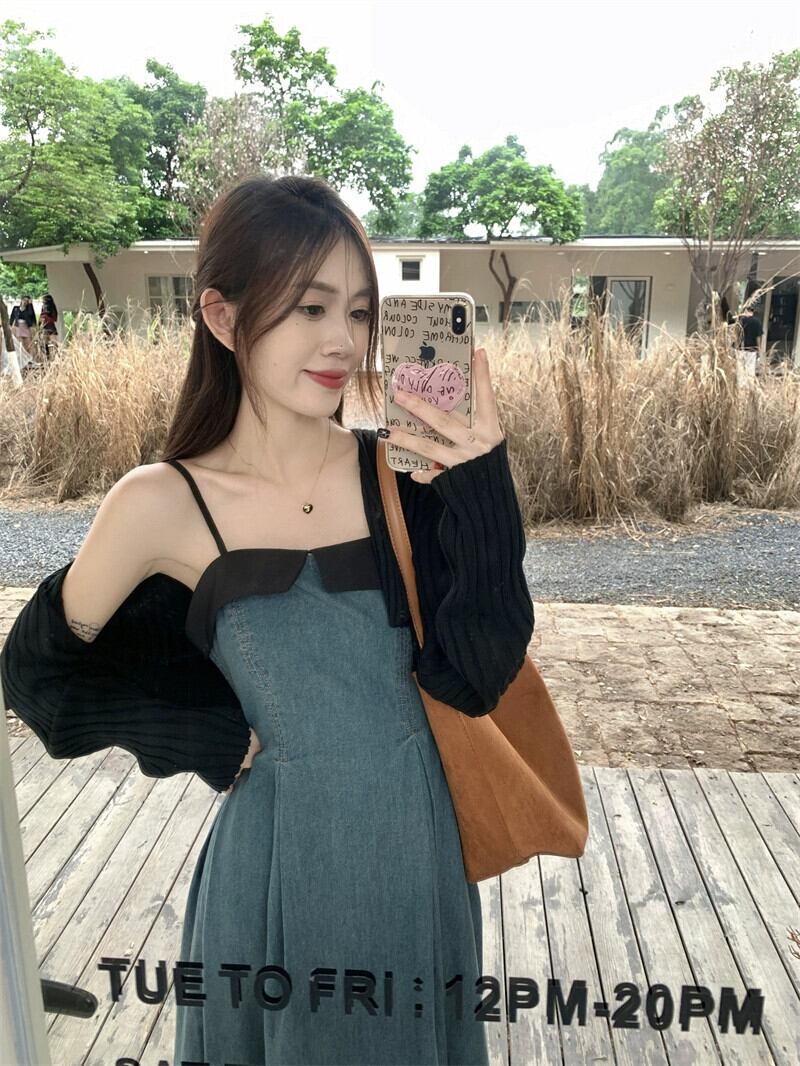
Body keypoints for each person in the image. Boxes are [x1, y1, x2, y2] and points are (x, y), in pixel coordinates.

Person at [0, 175, 534, 1065]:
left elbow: (476, 675)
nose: (342, 341)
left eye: (358, 312)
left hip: (416, 857)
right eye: (309, 307)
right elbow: (33, 674)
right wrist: (195, 734)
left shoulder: (397, 476)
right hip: (274, 868)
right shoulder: (160, 503)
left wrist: (484, 489)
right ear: (222, 317)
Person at [733, 305, 764, 377]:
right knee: (750, 369)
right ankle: (749, 383)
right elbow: (758, 337)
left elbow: (736, 335)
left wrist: (736, 346)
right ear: (753, 312)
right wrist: (759, 349)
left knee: (740, 370)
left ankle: (740, 383)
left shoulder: (740, 321)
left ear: (745, 311)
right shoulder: (757, 322)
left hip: (740, 349)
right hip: (752, 350)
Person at [9, 295, 37, 364]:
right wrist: (11, 326)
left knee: (28, 344)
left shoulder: (28, 310)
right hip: (18, 327)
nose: (25, 302)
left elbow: (31, 315)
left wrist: (30, 305)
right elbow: (12, 318)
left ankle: (30, 359)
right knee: (20, 345)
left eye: (27, 301)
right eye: (24, 300)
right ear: (21, 300)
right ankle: (21, 360)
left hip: (26, 327)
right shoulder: (16, 308)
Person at [39, 292, 59, 361]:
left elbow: (54, 318)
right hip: (44, 327)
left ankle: (56, 357)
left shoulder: (52, 308)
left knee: (54, 343)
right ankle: (47, 357)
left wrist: (46, 317)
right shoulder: (43, 307)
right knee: (44, 343)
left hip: (50, 327)